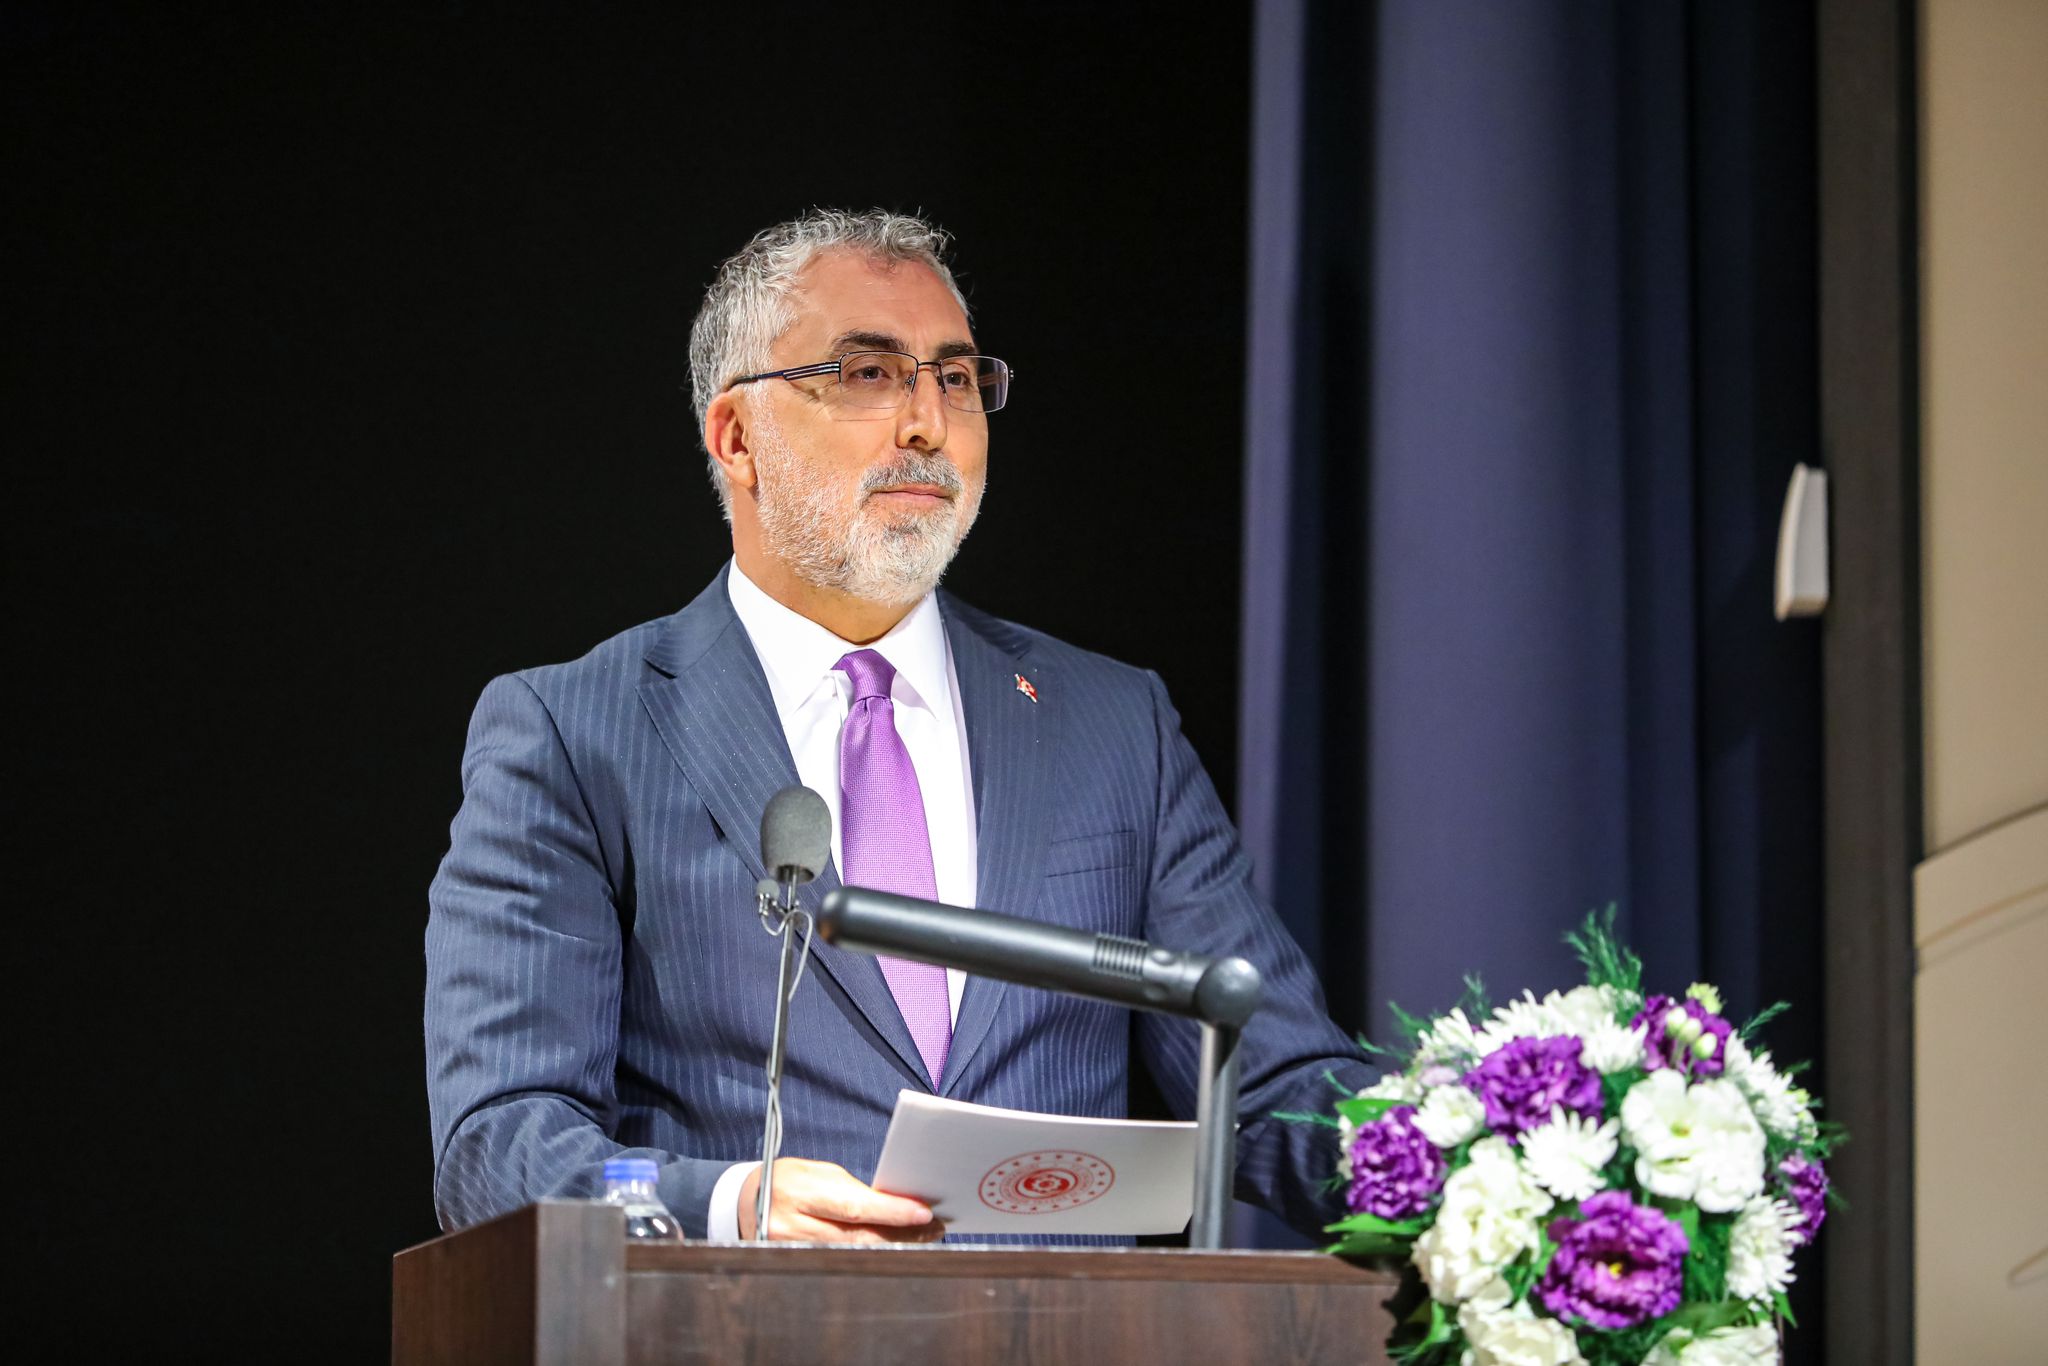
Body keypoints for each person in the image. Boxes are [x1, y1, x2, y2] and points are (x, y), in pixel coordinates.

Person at [426, 208, 1373, 1243]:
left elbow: (1276, 1087)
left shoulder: (1113, 723)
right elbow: (500, 1145)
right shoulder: (575, 733)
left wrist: (1470, 1164)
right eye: (867, 373)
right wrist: (728, 1203)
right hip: (743, 1319)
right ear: (736, 437)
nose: (927, 422)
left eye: (955, 379)